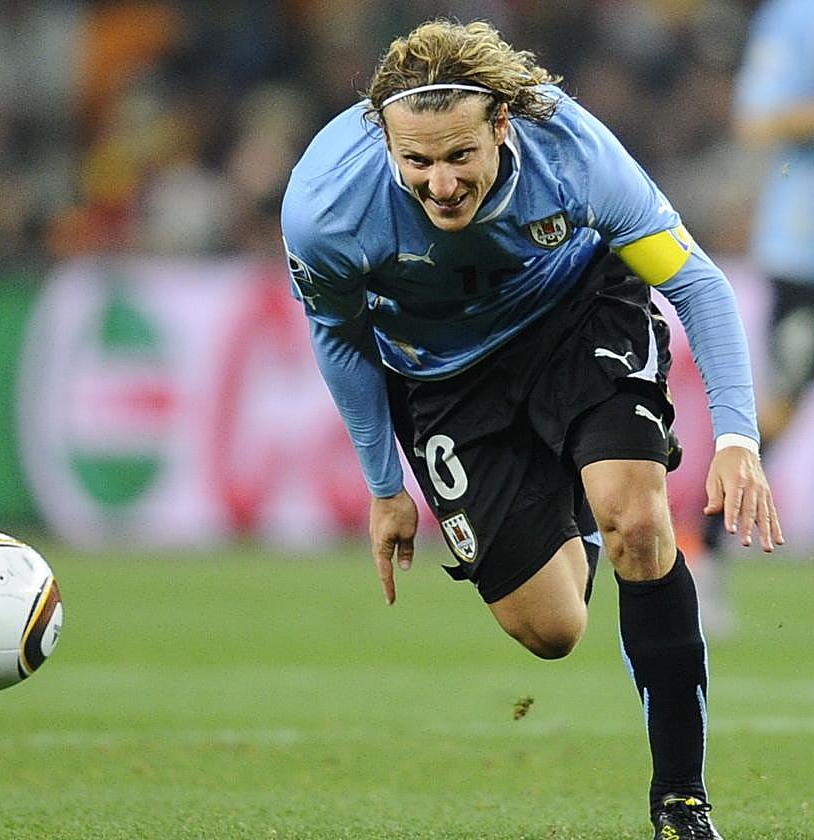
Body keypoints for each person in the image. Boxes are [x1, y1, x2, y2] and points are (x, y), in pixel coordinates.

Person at [281, 20, 783, 840]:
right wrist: (385, 487)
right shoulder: (325, 209)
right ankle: (572, 500)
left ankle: (681, 803)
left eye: (459, 157)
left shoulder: (573, 152)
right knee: (550, 630)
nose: (439, 184)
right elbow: (338, 337)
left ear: (502, 126)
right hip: (441, 377)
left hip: (575, 316)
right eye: (417, 162)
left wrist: (737, 438)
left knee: (639, 523)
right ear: (384, 140)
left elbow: (694, 279)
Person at [695, 0, 814, 634]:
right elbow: (758, 118)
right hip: (806, 253)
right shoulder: (796, 15)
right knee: (777, 413)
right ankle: (704, 559)